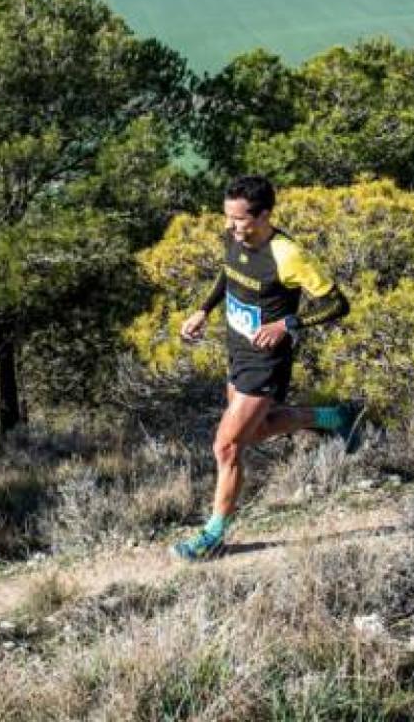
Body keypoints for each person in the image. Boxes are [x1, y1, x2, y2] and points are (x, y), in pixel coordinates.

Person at [172, 174, 357, 561]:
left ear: (264, 215)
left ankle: (213, 536)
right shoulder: (234, 237)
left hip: (267, 363)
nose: (230, 225)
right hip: (237, 351)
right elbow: (229, 272)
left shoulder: (288, 255)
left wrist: (287, 324)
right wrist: (202, 311)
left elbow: (337, 304)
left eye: (239, 219)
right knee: (255, 433)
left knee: (226, 446)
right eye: (228, 217)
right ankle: (331, 417)